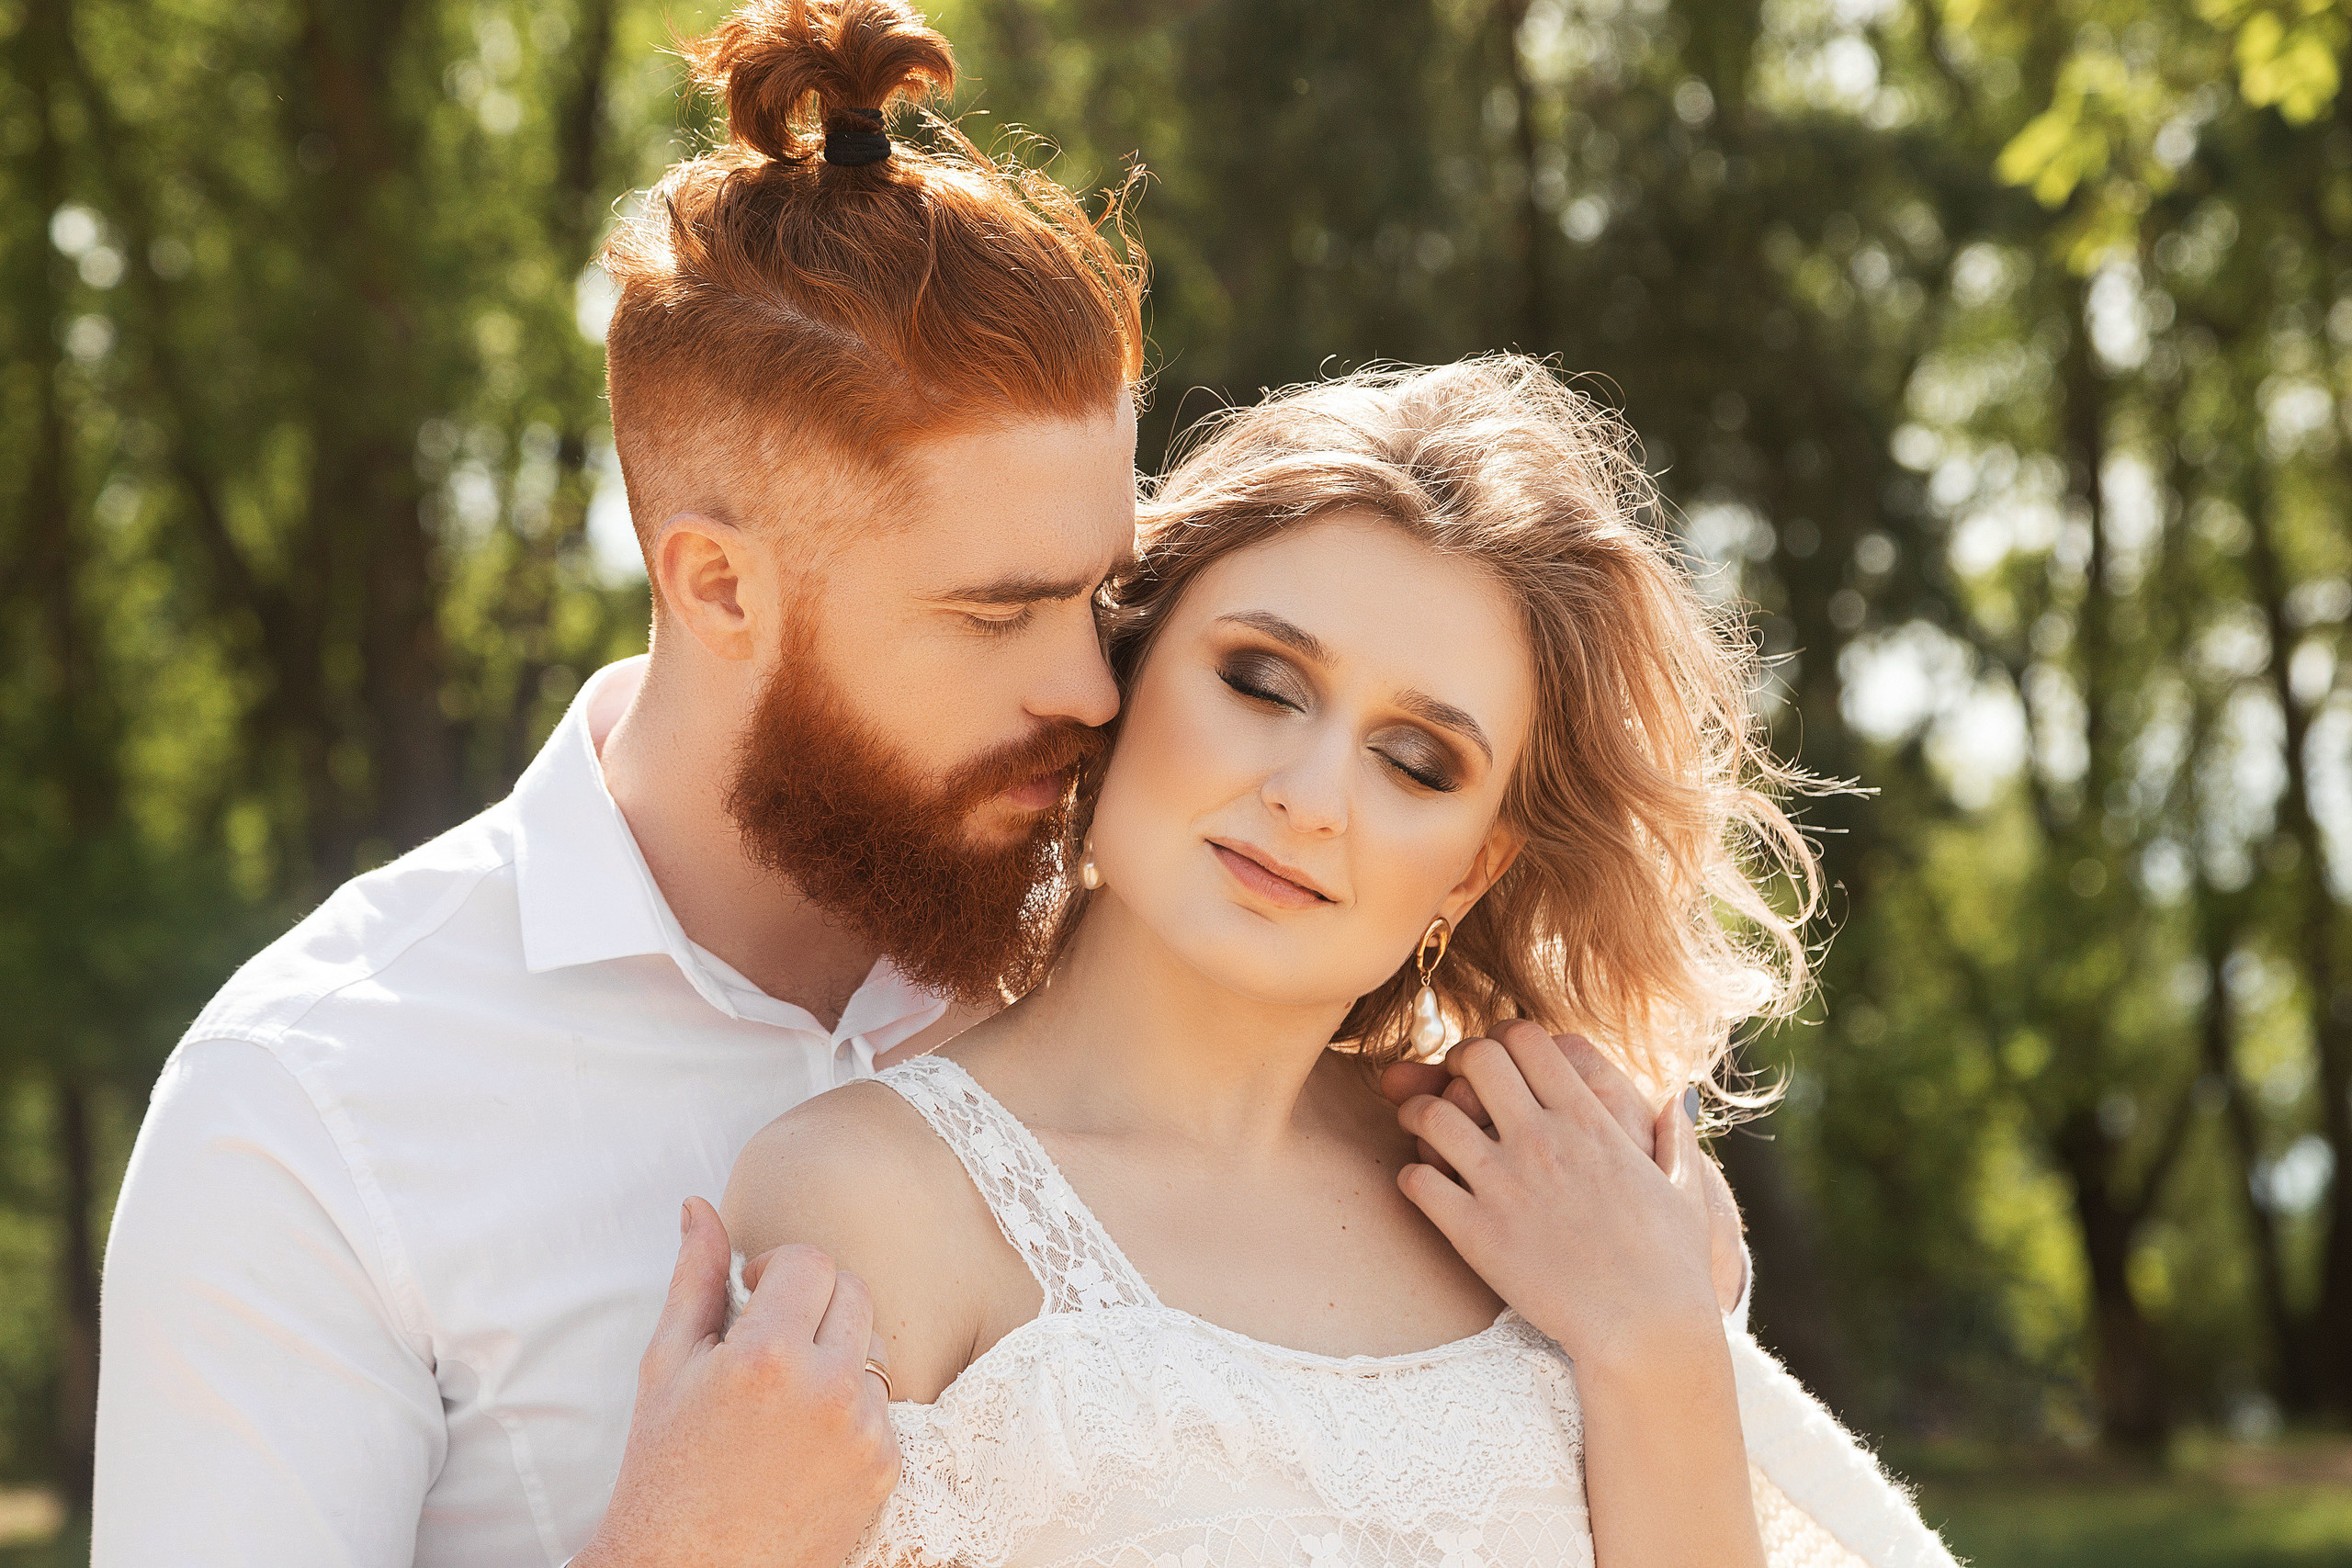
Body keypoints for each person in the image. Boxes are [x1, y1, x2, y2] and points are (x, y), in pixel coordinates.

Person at [91, 6, 1749, 1566]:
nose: (1091, 686)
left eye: (1104, 599)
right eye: (995, 614)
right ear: (719, 588)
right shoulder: (313, 1106)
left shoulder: (1173, 936)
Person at [721, 359, 1958, 1568]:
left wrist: (1654, 1342)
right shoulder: (868, 1200)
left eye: (1418, 763)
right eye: (1261, 683)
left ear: (1472, 868)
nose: (1311, 800)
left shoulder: (1569, 1192)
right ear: (1127, 673)